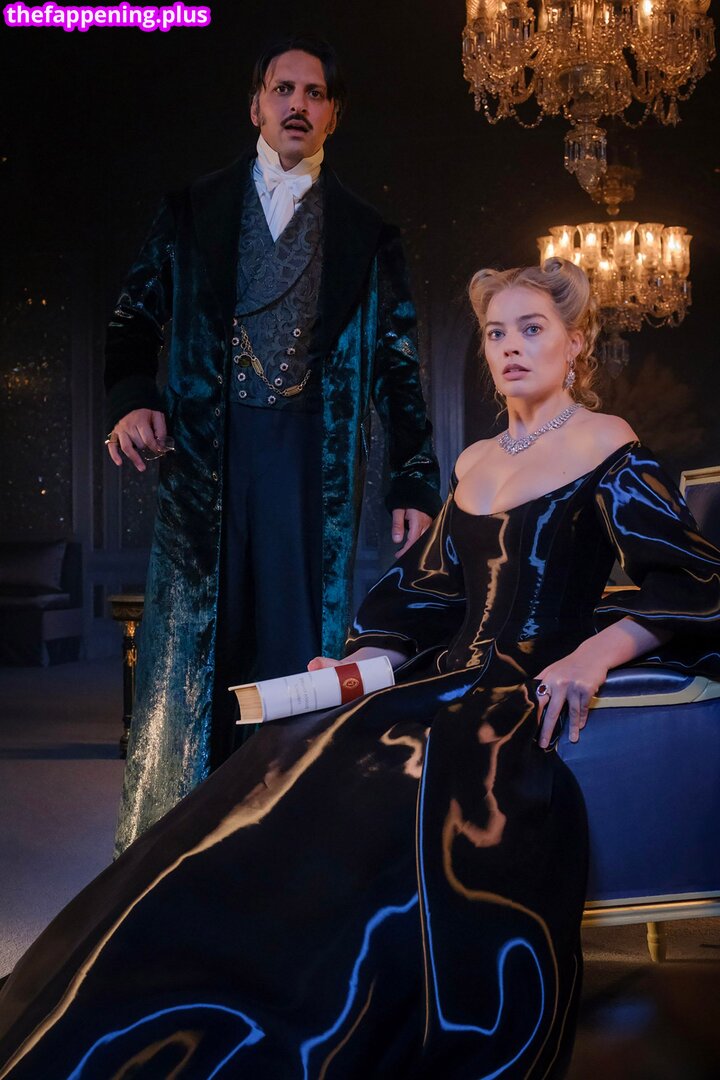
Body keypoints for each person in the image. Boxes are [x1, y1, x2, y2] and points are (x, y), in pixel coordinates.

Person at [1, 258, 719, 1079]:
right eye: (496, 333)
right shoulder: (476, 461)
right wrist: (360, 662)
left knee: (398, 761)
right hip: (444, 675)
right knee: (298, 747)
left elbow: (690, 579)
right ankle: (220, 979)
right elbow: (424, 597)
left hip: (515, 690)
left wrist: (592, 655)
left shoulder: (606, 441)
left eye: (532, 329)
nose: (511, 347)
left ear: (574, 343)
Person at [103, 35, 441, 854]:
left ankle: (290, 845)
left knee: (297, 649)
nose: (298, 104)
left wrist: (411, 479)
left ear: (333, 115)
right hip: (205, 461)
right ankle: (184, 843)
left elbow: (398, 365)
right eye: (283, 89)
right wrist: (134, 400)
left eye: (315, 93)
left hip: (310, 462)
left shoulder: (368, 232)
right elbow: (132, 320)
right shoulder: (192, 210)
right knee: (202, 647)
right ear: (255, 104)